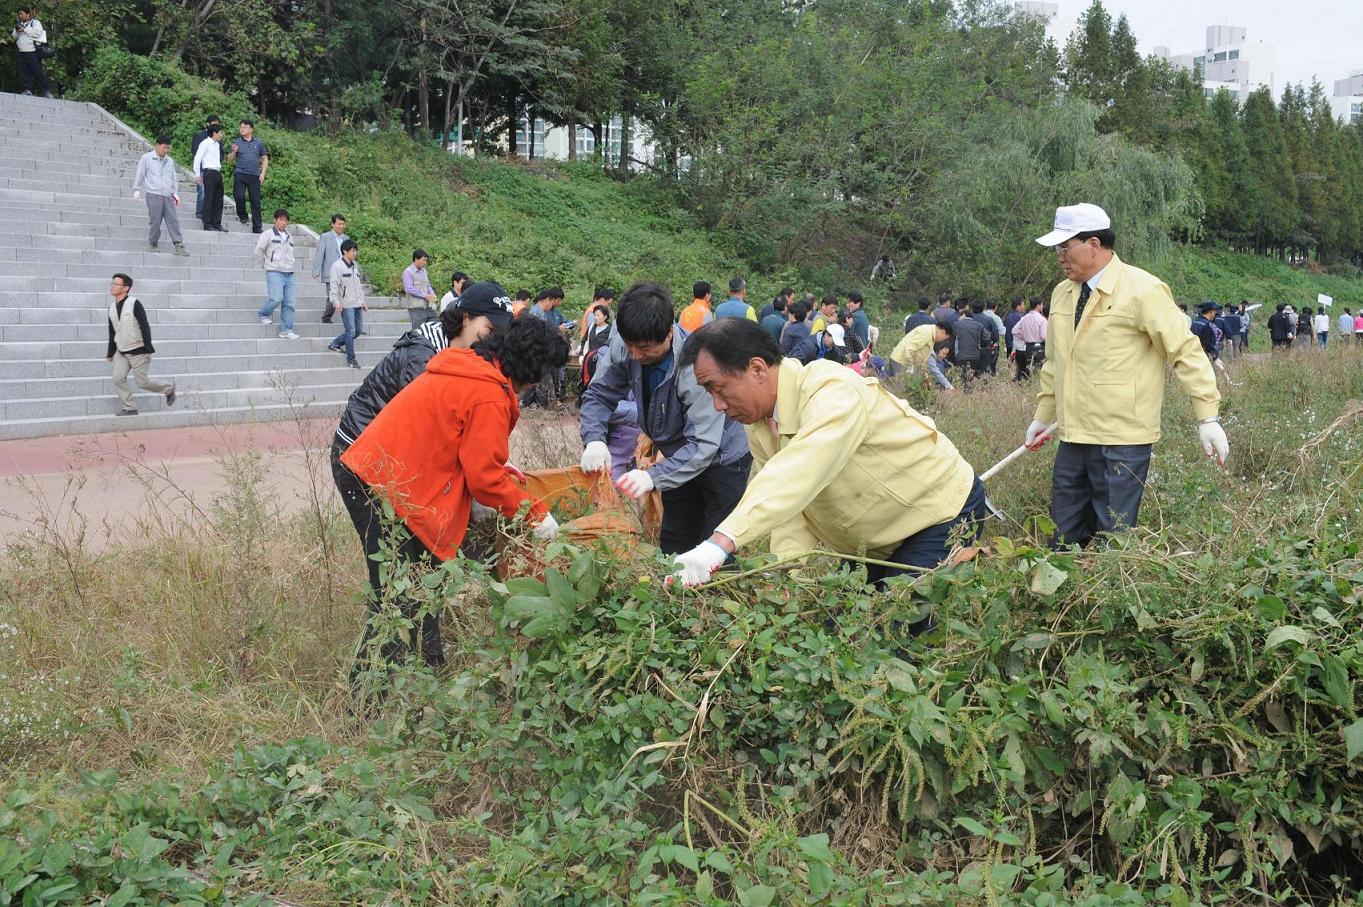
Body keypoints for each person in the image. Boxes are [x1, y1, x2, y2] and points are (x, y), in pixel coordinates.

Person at [671, 318, 988, 615]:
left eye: (718, 388)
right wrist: (781, 575)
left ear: (756, 369)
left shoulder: (830, 389)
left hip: (940, 516)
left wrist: (721, 542)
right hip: (876, 541)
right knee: (841, 629)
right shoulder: (759, 426)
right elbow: (791, 510)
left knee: (893, 630)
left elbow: (802, 469)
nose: (718, 405)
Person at [339, 315, 565, 681]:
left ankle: (427, 667)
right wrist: (535, 514)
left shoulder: (468, 366)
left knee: (417, 580)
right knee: (394, 598)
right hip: (379, 486)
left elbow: (459, 441)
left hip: (380, 476)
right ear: (531, 368)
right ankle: (367, 705)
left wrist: (498, 467)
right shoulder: (488, 392)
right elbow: (484, 479)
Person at [1026, 203, 1225, 549]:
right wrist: (1043, 416)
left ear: (1092, 245)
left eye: (1064, 247)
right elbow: (1055, 364)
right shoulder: (1062, 294)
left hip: (1122, 441)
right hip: (1073, 437)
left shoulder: (1142, 290)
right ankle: (1065, 599)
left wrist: (1207, 416)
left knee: (1112, 539)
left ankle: (1106, 598)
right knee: (1063, 536)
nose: (1059, 256)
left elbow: (1184, 350)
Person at [578, 282, 751, 555]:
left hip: (721, 460)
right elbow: (599, 394)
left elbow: (703, 445)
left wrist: (653, 477)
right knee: (675, 541)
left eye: (644, 348)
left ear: (669, 333)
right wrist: (594, 439)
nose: (635, 355)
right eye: (629, 345)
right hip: (677, 457)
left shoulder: (696, 367)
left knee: (714, 548)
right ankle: (677, 593)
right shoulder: (626, 347)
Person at [105, 273, 176, 416]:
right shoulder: (112, 307)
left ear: (125, 288)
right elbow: (113, 331)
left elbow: (144, 325)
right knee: (118, 378)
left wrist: (148, 348)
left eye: (116, 284)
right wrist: (110, 352)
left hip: (138, 350)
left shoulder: (134, 303)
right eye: (111, 284)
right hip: (121, 351)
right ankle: (130, 407)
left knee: (142, 382)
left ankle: (168, 389)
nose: (112, 287)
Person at [132, 135, 189, 257]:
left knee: (173, 220)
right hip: (153, 194)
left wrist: (175, 192)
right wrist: (137, 189)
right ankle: (153, 243)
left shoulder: (169, 160)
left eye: (168, 148)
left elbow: (173, 177)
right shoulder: (146, 158)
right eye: (164, 148)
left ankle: (179, 244)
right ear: (157, 145)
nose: (166, 150)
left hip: (167, 195)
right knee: (155, 221)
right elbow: (140, 174)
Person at [254, 208, 299, 339]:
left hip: (289, 272)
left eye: (286, 220)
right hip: (274, 271)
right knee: (276, 298)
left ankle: (286, 329)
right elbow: (259, 250)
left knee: (290, 303)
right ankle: (263, 313)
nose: (284, 223)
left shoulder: (290, 236)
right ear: (275, 220)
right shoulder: (267, 234)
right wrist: (265, 264)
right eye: (281, 220)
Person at [325, 239, 366, 368]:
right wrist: (335, 302)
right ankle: (351, 359)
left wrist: (363, 301)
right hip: (346, 304)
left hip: (357, 303)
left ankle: (335, 344)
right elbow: (334, 287)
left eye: (355, 250)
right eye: (352, 250)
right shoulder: (337, 266)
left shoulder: (355, 266)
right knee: (350, 330)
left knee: (358, 331)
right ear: (345, 251)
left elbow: (358, 286)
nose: (355, 253)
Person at [227, 119, 268, 233]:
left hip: (254, 175)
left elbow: (265, 158)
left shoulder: (258, 143)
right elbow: (229, 160)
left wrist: (263, 173)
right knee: (239, 196)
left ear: (251, 129)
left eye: (244, 127)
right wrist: (234, 152)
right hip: (240, 173)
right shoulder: (236, 142)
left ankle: (257, 227)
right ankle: (242, 215)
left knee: (255, 201)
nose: (242, 129)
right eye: (241, 127)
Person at [313, 214, 349, 323]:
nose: (341, 226)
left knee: (345, 296)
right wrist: (316, 271)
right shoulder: (325, 237)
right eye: (339, 224)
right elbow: (320, 254)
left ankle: (349, 321)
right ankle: (326, 316)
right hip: (330, 271)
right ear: (333, 224)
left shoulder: (346, 238)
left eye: (343, 224)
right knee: (332, 296)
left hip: (344, 272)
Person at [191, 123, 226, 232]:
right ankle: (207, 223)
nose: (221, 135)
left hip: (217, 172)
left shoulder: (217, 144)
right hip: (209, 172)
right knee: (209, 198)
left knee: (219, 199)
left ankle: (217, 223)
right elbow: (197, 159)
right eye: (220, 132)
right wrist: (197, 174)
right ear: (214, 133)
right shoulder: (205, 143)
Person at [11, 6, 50, 98]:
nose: (20, 16)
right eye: (19, 14)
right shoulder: (19, 24)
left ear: (28, 14)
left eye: (22, 14)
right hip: (22, 52)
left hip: (32, 52)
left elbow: (38, 32)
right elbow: (14, 37)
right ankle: (27, 90)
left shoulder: (34, 23)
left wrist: (24, 30)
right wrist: (17, 31)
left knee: (37, 72)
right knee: (24, 73)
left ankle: (46, 91)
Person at [1013, 297, 1047, 380]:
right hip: (1040, 347)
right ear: (1038, 306)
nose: (1042, 306)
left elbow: (1014, 331)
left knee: (1030, 368)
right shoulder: (1042, 319)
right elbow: (1043, 336)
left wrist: (1025, 337)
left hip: (1028, 347)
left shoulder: (1024, 318)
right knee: (1040, 369)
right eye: (1042, 304)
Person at [401, 250, 438, 326]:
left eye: (426, 261)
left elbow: (428, 285)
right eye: (423, 260)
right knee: (418, 332)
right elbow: (409, 288)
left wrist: (432, 293)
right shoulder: (408, 272)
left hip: (428, 307)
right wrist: (425, 296)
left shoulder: (424, 271)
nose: (425, 263)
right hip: (416, 308)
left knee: (435, 326)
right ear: (416, 259)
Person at [951, 305, 985, 386]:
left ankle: (965, 391)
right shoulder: (979, 325)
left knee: (962, 376)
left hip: (960, 356)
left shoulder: (956, 325)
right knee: (972, 375)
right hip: (975, 356)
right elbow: (987, 337)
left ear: (964, 315)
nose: (959, 318)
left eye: (960, 316)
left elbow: (952, 339)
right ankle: (971, 392)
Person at [973, 301, 1001, 375]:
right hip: (985, 347)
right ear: (983, 308)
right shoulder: (989, 319)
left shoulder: (969, 319)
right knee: (986, 368)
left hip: (971, 347)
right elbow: (995, 333)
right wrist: (995, 342)